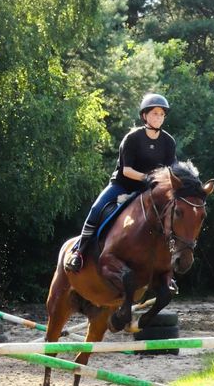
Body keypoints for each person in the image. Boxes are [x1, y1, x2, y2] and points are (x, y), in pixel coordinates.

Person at [65, 93, 177, 273]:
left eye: (162, 114)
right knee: (96, 208)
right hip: (123, 185)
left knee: (172, 217)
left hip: (150, 190)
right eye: (155, 113)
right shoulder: (132, 138)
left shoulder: (168, 142)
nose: (159, 117)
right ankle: (79, 251)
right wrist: (149, 178)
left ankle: (167, 270)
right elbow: (127, 171)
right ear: (144, 115)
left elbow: (171, 171)